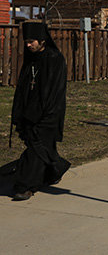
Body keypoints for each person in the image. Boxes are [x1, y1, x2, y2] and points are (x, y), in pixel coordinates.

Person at [10, 21, 71, 201]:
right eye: (26, 41)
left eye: (32, 41)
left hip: (48, 111)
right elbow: (25, 86)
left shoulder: (55, 58)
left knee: (35, 150)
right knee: (42, 148)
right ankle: (55, 170)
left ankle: (25, 186)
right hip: (30, 111)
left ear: (42, 40)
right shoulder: (32, 58)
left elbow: (56, 90)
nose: (28, 45)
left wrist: (48, 114)